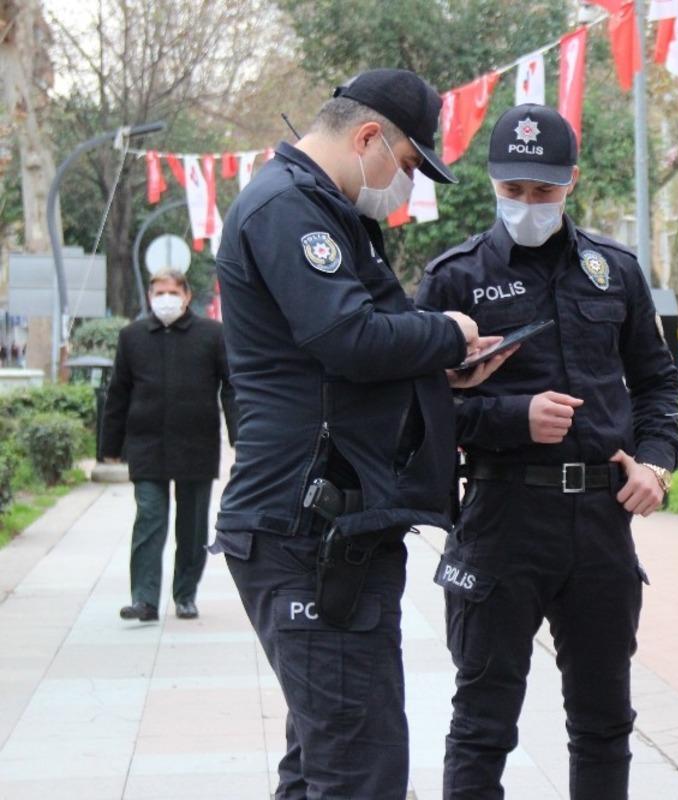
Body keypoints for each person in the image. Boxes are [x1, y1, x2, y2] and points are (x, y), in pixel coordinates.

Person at [212, 69, 507, 799]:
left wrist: (440, 372)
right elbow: (348, 337)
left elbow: (338, 362)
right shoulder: (289, 208)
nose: (405, 186)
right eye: (406, 164)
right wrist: (448, 332)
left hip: (334, 528)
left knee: (326, 764)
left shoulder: (325, 210)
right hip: (308, 532)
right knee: (359, 773)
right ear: (368, 137)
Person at [416, 104, 678, 800]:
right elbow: (419, 410)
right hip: (502, 516)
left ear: (572, 182)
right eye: (514, 190)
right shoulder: (454, 279)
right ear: (492, 181)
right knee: (483, 723)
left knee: (604, 722)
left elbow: (657, 385)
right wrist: (513, 417)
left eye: (544, 190)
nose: (528, 204)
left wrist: (656, 465)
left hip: (600, 521)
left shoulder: (614, 271)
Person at [101, 268, 236, 623]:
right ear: (149, 297)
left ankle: (185, 595)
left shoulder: (212, 335)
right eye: (159, 293)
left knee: (192, 526)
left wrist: (240, 436)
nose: (165, 299)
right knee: (149, 518)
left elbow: (231, 387)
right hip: (146, 444)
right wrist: (110, 446)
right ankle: (144, 599)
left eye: (172, 292)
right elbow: (118, 392)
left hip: (196, 443)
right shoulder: (132, 337)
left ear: (187, 296)